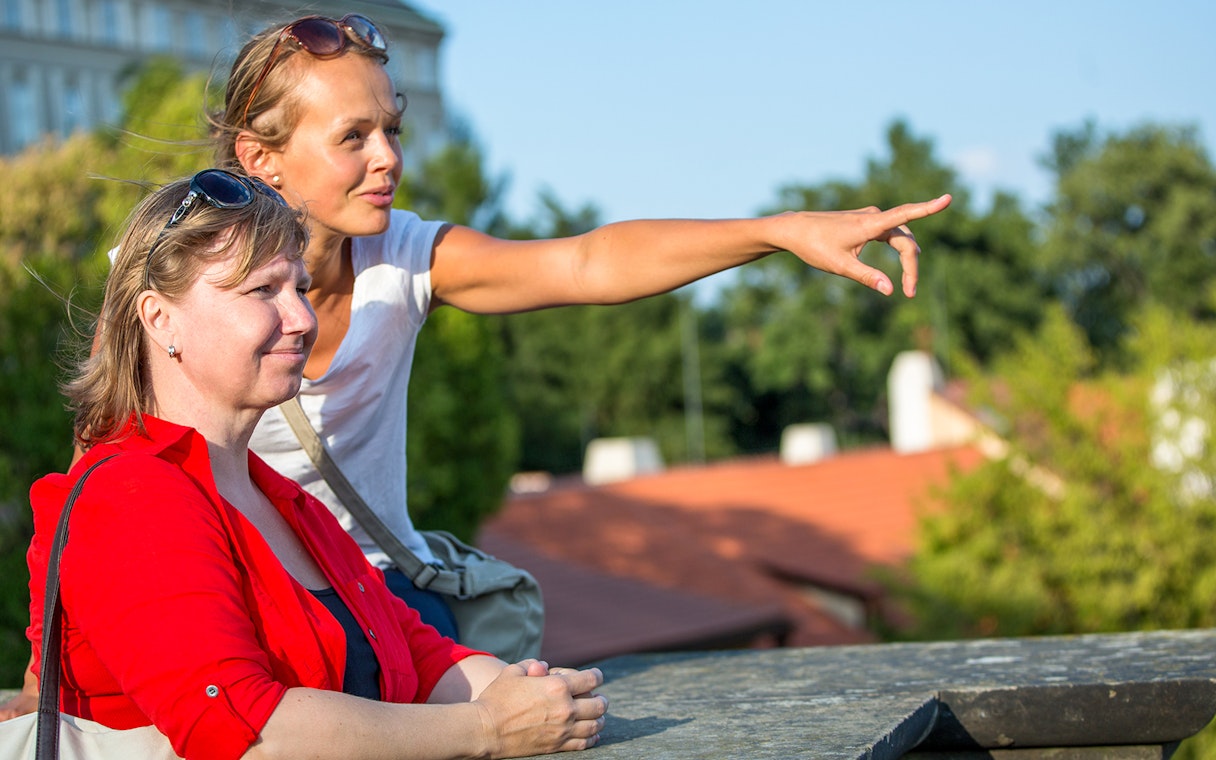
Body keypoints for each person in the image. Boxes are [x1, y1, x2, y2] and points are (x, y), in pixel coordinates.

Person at [0, 12, 951, 718]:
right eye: (353, 138)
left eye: (392, 129)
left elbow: (584, 262)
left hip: (379, 611)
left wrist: (776, 233)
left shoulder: (403, 255)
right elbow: (102, 483)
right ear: (264, 158)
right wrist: (45, 690)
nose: (388, 160)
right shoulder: (172, 285)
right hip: (244, 612)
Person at [14, 170, 607, 759]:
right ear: (159, 317)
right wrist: (487, 729)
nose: (301, 318)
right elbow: (244, 731)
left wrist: (536, 696)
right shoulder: (130, 494)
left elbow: (412, 651)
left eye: (299, 287)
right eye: (261, 291)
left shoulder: (283, 500)